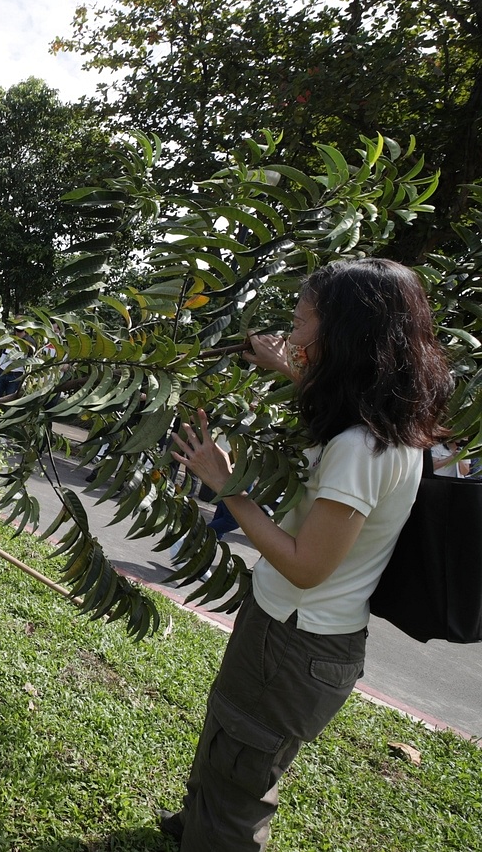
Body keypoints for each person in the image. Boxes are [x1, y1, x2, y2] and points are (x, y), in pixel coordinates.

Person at [162, 259, 452, 851]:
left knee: (241, 771)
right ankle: (194, 826)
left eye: (301, 325)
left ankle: (213, 836)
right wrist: (285, 368)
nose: (291, 337)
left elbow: (304, 564)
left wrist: (227, 486)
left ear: (344, 335)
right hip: (292, 632)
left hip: (295, 643)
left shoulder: (360, 448)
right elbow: (335, 416)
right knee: (229, 743)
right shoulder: (386, 420)